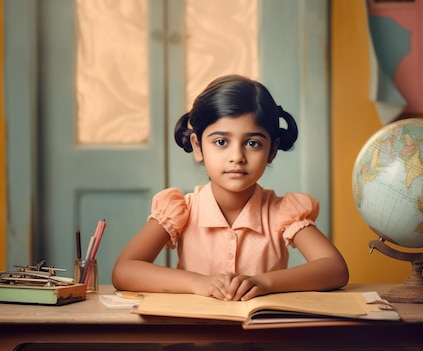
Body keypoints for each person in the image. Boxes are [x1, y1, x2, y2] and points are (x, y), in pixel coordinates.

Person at [112, 74, 349, 301]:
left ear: (272, 150)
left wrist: (264, 283)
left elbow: (335, 269)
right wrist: (197, 283)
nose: (237, 156)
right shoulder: (181, 209)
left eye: (253, 143)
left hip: (262, 337)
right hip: (195, 338)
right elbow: (124, 271)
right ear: (197, 146)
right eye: (221, 142)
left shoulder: (282, 212)